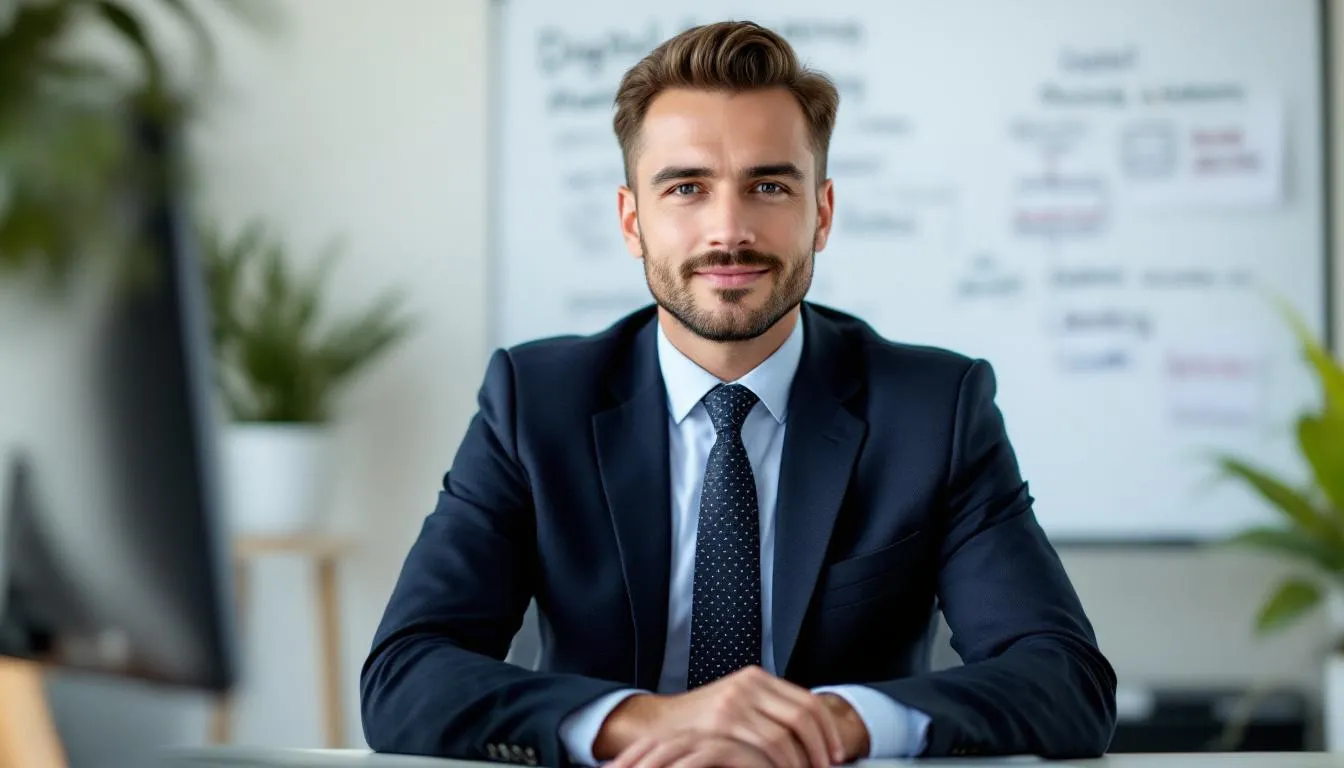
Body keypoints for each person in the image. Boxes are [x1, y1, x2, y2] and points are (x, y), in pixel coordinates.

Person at [361, 19, 1117, 768]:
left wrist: (836, 723)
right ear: (633, 221)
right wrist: (641, 722)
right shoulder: (534, 403)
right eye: (687, 187)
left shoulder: (933, 409)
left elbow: (1065, 681)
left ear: (820, 213)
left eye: (768, 186)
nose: (729, 230)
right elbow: (407, 674)